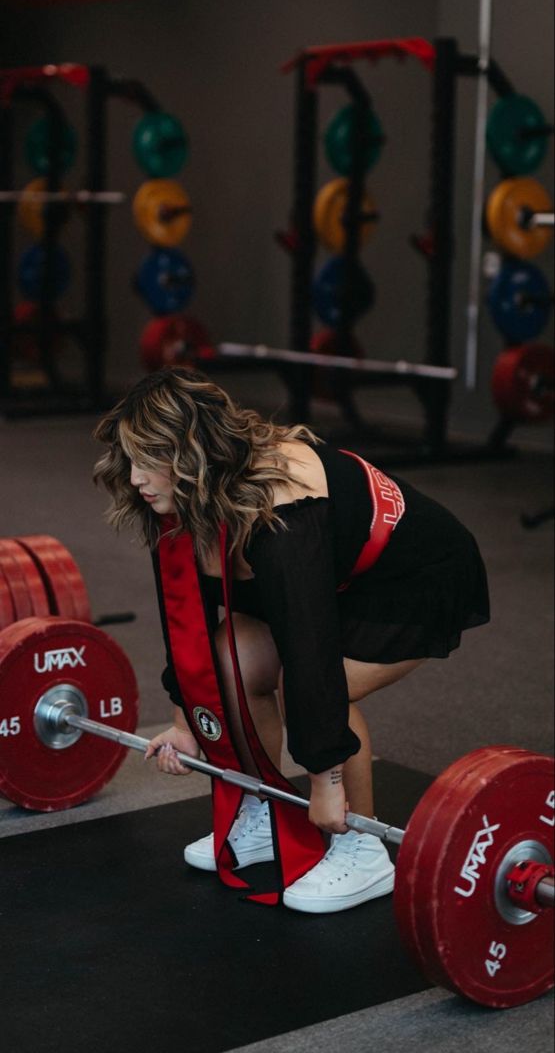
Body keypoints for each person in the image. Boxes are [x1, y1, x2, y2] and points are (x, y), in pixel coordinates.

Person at [93, 366, 489, 913]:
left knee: (321, 684)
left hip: (412, 577)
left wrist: (324, 780)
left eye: (149, 460)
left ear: (191, 453)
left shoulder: (283, 511)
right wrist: (186, 720)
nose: (136, 478)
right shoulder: (185, 499)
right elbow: (183, 610)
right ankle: (263, 807)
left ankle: (363, 847)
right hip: (333, 574)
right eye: (130, 459)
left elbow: (311, 650)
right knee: (233, 658)